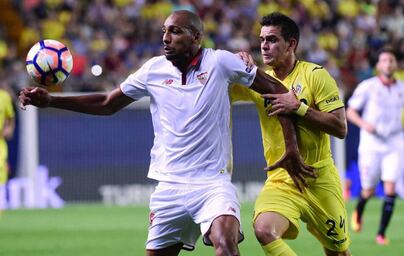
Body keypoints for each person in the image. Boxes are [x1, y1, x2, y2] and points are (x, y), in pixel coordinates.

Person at [19, 10, 314, 256]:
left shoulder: (221, 62)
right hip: (169, 187)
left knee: (226, 244)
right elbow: (108, 103)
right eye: (164, 31)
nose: (165, 38)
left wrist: (292, 147)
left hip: (212, 184)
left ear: (196, 38)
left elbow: (277, 90)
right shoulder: (152, 70)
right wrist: (51, 101)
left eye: (175, 31)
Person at [232, 12, 351, 255]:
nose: (264, 46)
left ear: (291, 44)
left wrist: (299, 107)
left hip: (319, 179)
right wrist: (230, 65)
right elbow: (217, 87)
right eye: (262, 40)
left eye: (273, 40)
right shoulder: (257, 80)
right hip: (281, 180)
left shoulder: (315, 75)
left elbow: (340, 128)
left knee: (337, 251)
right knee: (264, 230)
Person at [347, 47, 404, 245]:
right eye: (384, 60)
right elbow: (350, 111)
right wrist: (363, 124)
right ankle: (359, 210)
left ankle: (381, 233)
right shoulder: (367, 87)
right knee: (368, 189)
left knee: (390, 187)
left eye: (391, 60)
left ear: (395, 64)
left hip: (395, 142)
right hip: (372, 143)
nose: (388, 63)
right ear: (378, 65)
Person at [0, 84, 15, 213]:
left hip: (0, 142)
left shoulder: (4, 96)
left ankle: (1, 203)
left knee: (1, 170)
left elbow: (10, 117)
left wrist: (8, 128)